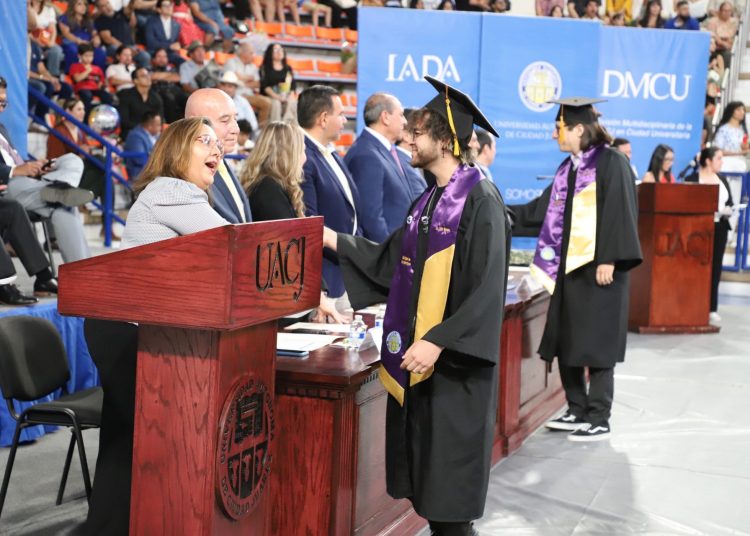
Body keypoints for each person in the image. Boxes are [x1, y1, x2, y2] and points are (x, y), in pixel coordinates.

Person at [322, 76, 509, 536]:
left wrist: (437, 342)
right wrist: (329, 239)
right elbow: (390, 263)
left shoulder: (480, 201)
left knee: (451, 500)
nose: (408, 138)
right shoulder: (428, 201)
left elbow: (486, 290)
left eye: (418, 132)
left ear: (445, 141)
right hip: (423, 365)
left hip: (455, 369)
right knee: (432, 491)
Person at [508, 97, 642, 442]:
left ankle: (599, 416)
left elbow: (621, 211)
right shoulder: (568, 169)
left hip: (600, 272)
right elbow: (542, 211)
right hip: (569, 272)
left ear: (578, 129)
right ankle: (576, 408)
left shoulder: (611, 162)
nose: (555, 135)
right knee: (567, 340)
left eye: (559, 128)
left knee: (597, 345)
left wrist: (610, 258)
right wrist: (498, 212)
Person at [240, 121, 345, 323]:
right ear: (288, 153)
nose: (305, 158)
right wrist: (318, 296)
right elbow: (289, 252)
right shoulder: (268, 191)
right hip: (278, 306)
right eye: (302, 151)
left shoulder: (273, 187)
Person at [0, 76, 92, 264]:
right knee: (64, 206)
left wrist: (36, 166)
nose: (2, 108)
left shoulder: (2, 129)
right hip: (8, 186)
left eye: (4, 103)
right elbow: (12, 168)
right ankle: (82, 270)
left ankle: (59, 185)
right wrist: (15, 171)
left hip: (29, 182)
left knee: (72, 160)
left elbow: (15, 160)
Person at [298, 84, 360, 302]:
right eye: (341, 114)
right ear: (323, 119)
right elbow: (309, 223)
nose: (345, 120)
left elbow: (352, 211)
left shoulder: (331, 153)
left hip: (344, 273)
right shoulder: (302, 156)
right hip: (323, 279)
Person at [345, 93, 423, 243]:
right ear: (385, 117)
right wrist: (388, 252)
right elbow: (371, 218)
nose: (405, 121)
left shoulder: (384, 150)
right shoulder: (367, 155)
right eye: (401, 115)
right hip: (385, 250)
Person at [185, 88, 253, 223]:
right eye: (225, 121)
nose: (236, 129)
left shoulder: (222, 162)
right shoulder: (186, 176)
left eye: (235, 119)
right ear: (195, 123)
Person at [684, 147, 733, 323]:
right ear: (708, 160)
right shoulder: (692, 180)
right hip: (697, 229)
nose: (722, 162)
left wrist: (728, 210)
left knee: (716, 267)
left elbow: (730, 202)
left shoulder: (722, 180)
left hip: (719, 228)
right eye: (719, 158)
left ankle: (712, 307)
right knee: (694, 266)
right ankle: (691, 303)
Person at [224, 40, 273, 126]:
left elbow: (257, 84)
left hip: (249, 95)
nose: (253, 55)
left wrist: (241, 80)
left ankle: (260, 130)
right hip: (234, 94)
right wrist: (249, 78)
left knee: (268, 102)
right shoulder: (231, 62)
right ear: (244, 53)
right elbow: (231, 79)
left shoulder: (253, 66)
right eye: (251, 53)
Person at [117, 67, 165, 139]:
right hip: (131, 132)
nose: (148, 78)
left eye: (148, 75)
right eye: (143, 76)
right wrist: (144, 129)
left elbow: (160, 119)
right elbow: (124, 121)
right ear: (135, 81)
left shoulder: (156, 97)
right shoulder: (126, 95)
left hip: (151, 134)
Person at [69, 43, 114, 112]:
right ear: (79, 56)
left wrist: (101, 84)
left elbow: (101, 80)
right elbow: (77, 79)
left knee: (107, 96)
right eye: (86, 56)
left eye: (91, 56)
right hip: (82, 88)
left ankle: (106, 114)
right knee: (87, 95)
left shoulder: (97, 68)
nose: (89, 58)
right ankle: (86, 115)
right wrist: (87, 71)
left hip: (95, 89)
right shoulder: (75, 66)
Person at [260, 43, 297, 122]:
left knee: (292, 102)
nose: (279, 51)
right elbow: (265, 87)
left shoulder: (288, 68)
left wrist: (289, 96)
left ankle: (287, 125)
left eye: (280, 49)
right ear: (270, 53)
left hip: (285, 94)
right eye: (276, 49)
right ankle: (276, 126)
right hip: (271, 95)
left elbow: (293, 86)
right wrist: (278, 97)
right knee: (276, 104)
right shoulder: (264, 68)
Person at [150, 47, 188, 123]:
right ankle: (172, 125)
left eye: (164, 56)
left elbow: (177, 77)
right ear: (153, 59)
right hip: (159, 91)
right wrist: (168, 76)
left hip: (174, 89)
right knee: (169, 99)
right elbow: (152, 76)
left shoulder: (171, 68)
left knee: (187, 98)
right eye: (159, 56)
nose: (162, 59)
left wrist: (159, 77)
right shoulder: (149, 68)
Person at [144, 0, 185, 68]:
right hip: (154, 52)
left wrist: (176, 46)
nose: (169, 7)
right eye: (165, 6)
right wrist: (169, 46)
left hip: (169, 53)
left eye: (170, 5)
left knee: (184, 63)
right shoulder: (151, 22)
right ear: (159, 10)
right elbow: (150, 43)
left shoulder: (177, 25)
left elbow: (175, 43)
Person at [124, 111, 162, 181]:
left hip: (156, 173)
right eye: (158, 125)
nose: (160, 127)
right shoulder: (135, 136)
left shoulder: (157, 135)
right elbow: (140, 160)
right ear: (150, 125)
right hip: (141, 176)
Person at [713, 100, 749, 172]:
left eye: (743, 110)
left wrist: (745, 148)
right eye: (738, 110)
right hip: (726, 163)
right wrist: (738, 153)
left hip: (741, 164)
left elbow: (745, 149)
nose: (742, 112)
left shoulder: (743, 130)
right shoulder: (723, 129)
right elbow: (718, 149)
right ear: (731, 111)